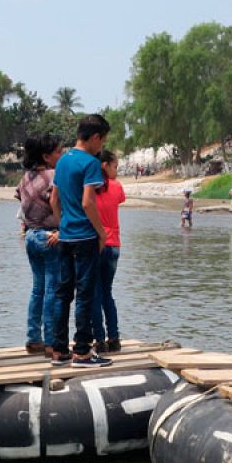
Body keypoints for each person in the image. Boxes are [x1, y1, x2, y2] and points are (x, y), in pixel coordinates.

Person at [49, 113, 113, 367]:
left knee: (63, 293)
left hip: (65, 236)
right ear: (95, 137)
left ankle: (59, 350)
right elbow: (88, 202)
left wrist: (62, 224)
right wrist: (101, 232)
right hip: (85, 236)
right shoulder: (90, 163)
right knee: (85, 293)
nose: (101, 147)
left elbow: (54, 200)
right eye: (102, 141)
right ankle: (83, 352)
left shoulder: (63, 161)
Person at [17, 133, 63, 354]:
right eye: (57, 152)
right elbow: (56, 200)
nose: (60, 156)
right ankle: (51, 341)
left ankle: (33, 338)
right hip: (49, 237)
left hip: (31, 235)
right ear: (45, 156)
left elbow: (20, 198)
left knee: (38, 289)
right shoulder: (54, 175)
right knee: (52, 290)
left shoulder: (26, 177)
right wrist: (63, 228)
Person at [93, 149, 127, 354]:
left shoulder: (89, 188)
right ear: (105, 165)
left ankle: (99, 339)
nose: (117, 171)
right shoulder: (117, 187)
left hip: (96, 243)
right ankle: (114, 337)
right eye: (115, 166)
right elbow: (119, 199)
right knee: (107, 293)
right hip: (114, 245)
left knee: (94, 294)